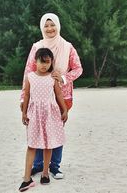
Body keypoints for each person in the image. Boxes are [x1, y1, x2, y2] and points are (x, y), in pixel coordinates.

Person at [20, 13, 83, 179]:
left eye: (52, 25)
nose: (49, 28)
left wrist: (63, 78)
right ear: (42, 28)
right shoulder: (37, 47)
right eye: (46, 26)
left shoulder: (68, 46)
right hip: (38, 98)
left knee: (56, 131)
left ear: (58, 25)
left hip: (62, 96)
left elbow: (78, 68)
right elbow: (28, 72)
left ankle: (54, 166)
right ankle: (39, 165)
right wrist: (22, 99)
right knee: (38, 130)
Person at [19, 48, 69, 192]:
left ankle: (45, 173)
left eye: (47, 62)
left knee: (49, 144)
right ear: (36, 61)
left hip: (50, 114)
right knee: (32, 145)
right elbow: (27, 95)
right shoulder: (30, 77)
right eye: (42, 61)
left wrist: (64, 109)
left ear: (51, 62)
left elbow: (59, 95)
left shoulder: (52, 78)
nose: (44, 65)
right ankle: (26, 178)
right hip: (35, 114)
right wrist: (24, 112)